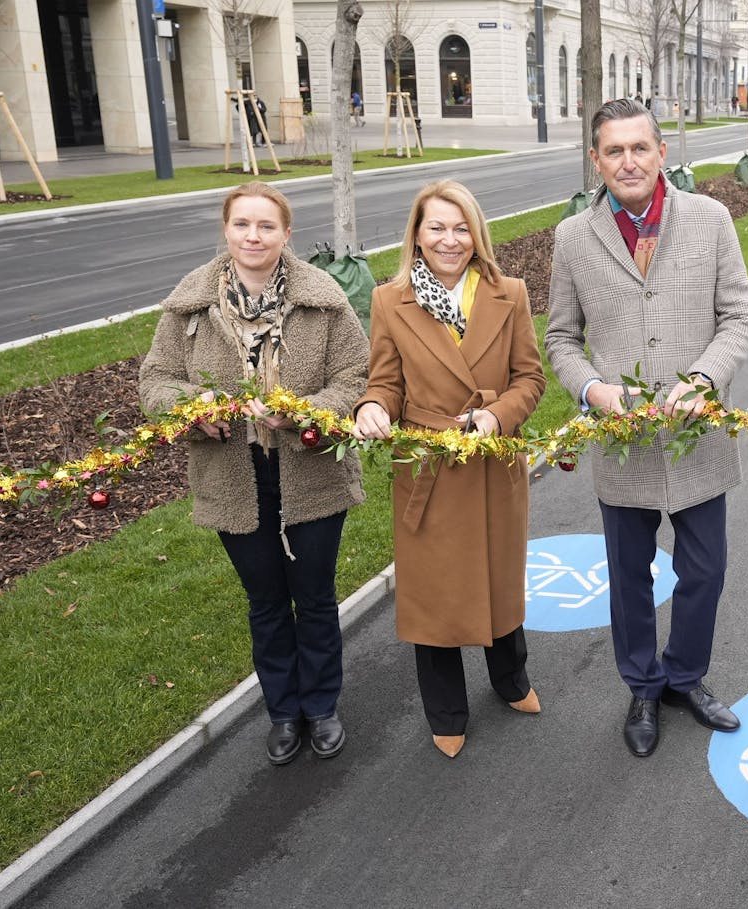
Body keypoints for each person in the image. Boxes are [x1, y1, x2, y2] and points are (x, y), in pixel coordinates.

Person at [545, 98, 748, 758]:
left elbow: (740, 318)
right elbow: (560, 338)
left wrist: (704, 378)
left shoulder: (711, 219)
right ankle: (642, 683)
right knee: (628, 576)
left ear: (662, 152)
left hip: (698, 439)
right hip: (622, 443)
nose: (629, 161)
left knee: (705, 572)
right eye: (615, 151)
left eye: (640, 148)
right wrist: (590, 388)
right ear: (596, 161)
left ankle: (685, 676)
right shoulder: (573, 239)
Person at [139, 183, 368, 765]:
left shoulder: (324, 300)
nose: (253, 236)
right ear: (226, 230)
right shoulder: (190, 306)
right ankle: (283, 712)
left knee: (314, 598)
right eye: (242, 224)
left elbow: (355, 376)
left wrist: (307, 413)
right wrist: (197, 409)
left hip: (310, 472)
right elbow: (156, 381)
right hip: (232, 475)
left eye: (267, 226)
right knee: (266, 602)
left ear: (286, 234)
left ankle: (321, 707)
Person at [352, 181, 547, 760]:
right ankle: (446, 711)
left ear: (477, 234)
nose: (449, 239)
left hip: (491, 463)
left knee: (499, 580)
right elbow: (385, 382)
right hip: (428, 466)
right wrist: (370, 406)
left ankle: (511, 680)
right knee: (435, 595)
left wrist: (497, 414)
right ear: (416, 233)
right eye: (436, 227)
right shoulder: (391, 301)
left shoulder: (509, 292)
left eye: (461, 228)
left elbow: (530, 379)